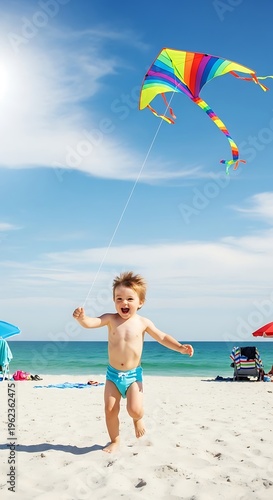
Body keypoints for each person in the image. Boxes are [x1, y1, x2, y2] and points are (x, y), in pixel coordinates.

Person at [73, 271, 194, 453]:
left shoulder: (143, 322)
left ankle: (138, 419)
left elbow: (161, 337)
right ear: (114, 301)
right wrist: (82, 319)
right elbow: (91, 322)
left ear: (140, 302)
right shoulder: (110, 319)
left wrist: (179, 347)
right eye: (119, 298)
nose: (124, 303)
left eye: (130, 299)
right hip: (113, 375)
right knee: (110, 410)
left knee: (134, 410)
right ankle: (115, 440)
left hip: (133, 375)